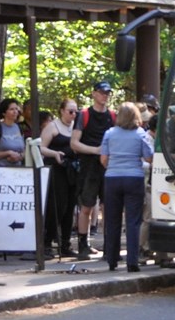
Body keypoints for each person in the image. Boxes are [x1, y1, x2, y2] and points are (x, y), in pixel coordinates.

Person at [99, 103, 153, 272]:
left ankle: (112, 259)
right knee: (133, 221)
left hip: (112, 179)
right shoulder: (140, 134)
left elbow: (103, 160)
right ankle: (132, 261)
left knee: (112, 220)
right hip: (134, 179)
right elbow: (149, 158)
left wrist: (114, 167)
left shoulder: (109, 134)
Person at [70, 80, 117, 259]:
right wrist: (95, 150)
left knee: (108, 207)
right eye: (102, 92)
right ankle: (83, 244)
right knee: (86, 207)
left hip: (107, 166)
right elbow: (74, 143)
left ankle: (109, 246)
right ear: (94, 94)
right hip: (88, 167)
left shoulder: (112, 116)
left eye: (107, 93)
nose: (105, 96)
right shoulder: (84, 115)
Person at [40, 99, 79, 259]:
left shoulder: (76, 127)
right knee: (57, 206)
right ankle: (47, 242)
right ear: (62, 111)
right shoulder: (52, 127)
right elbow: (41, 147)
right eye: (70, 111)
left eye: (76, 112)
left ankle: (65, 243)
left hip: (72, 169)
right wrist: (54, 154)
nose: (73, 115)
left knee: (70, 206)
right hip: (56, 169)